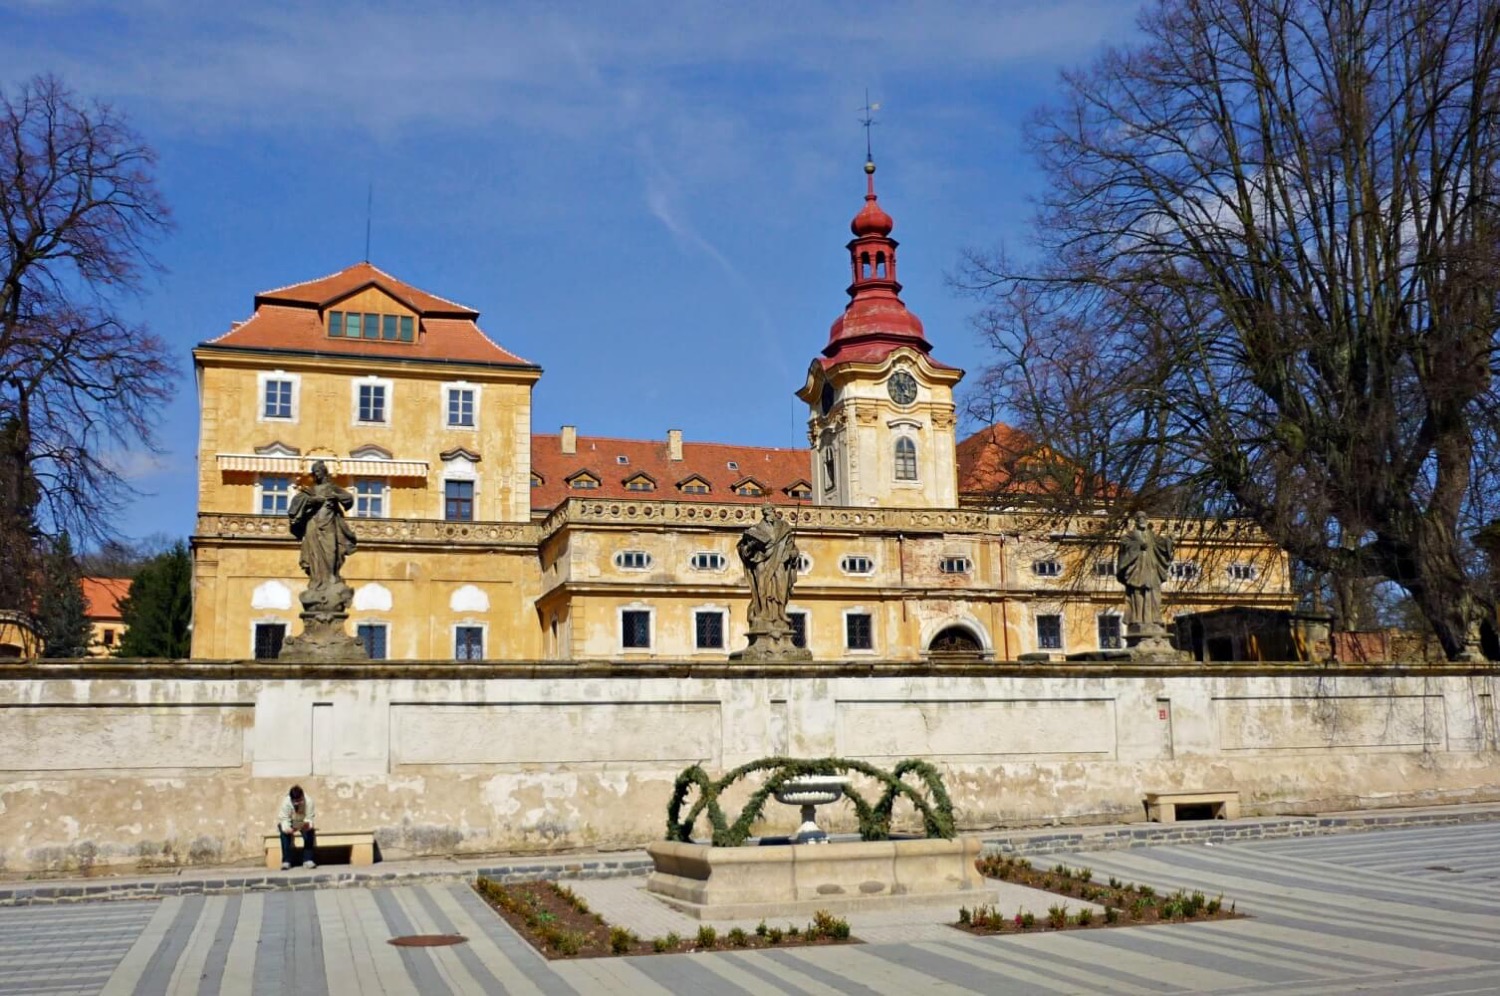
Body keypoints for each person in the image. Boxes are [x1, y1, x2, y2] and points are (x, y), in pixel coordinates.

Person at [287, 460, 357, 597]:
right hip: (313, 525)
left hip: (329, 524)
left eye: (318, 471)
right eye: (314, 472)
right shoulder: (310, 490)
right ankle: (317, 580)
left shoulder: (332, 487)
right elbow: (295, 503)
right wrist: (311, 501)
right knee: (314, 555)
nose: (315, 475)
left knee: (331, 551)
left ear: (324, 472)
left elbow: (349, 498)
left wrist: (336, 497)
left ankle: (331, 577)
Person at [738, 503, 799, 633]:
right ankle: (763, 612)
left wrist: (794, 553)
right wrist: (751, 545)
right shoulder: (756, 529)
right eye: (765, 512)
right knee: (762, 588)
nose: (768, 514)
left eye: (770, 511)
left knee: (781, 588)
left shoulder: (784, 527)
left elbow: (791, 545)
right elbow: (744, 550)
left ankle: (781, 613)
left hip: (780, 560)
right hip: (761, 561)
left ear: (774, 511)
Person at [1116, 512, 1174, 633]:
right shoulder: (1130, 536)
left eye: (1144, 518)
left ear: (1147, 520)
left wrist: (1169, 541)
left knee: (1154, 594)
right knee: (1137, 594)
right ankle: (1138, 620)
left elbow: (1161, 545)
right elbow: (1124, 546)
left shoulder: (1151, 535)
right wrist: (1138, 545)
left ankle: (1155, 619)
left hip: (1151, 569)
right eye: (1139, 518)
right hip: (1137, 569)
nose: (1142, 520)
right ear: (1136, 521)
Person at [277, 785, 317, 870]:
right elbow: (284, 819)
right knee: (283, 833)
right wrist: (287, 829)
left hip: (302, 821)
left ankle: (308, 860)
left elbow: (309, 817)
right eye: (296, 801)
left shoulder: (309, 801)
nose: (298, 803)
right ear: (291, 799)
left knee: (309, 832)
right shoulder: (286, 803)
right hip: (290, 821)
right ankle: (286, 861)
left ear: (303, 796)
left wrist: (306, 825)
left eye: (300, 800)